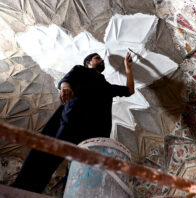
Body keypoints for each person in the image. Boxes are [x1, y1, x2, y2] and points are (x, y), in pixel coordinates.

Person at [12, 52, 134, 193]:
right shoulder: (80, 70)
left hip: (95, 134)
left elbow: (129, 90)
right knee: (47, 159)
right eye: (97, 58)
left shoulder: (107, 86)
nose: (101, 60)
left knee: (84, 171)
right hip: (74, 122)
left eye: (100, 58)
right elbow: (66, 81)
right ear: (88, 63)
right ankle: (21, 192)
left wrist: (128, 68)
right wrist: (66, 88)